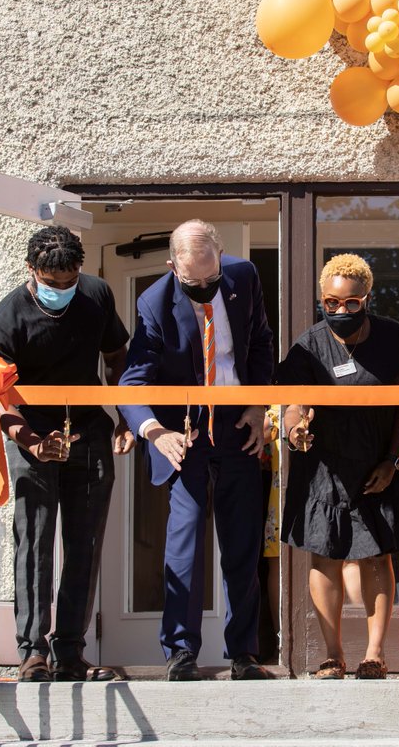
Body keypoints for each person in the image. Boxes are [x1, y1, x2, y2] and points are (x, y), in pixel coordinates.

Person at [118, 219, 276, 681]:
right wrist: (152, 431)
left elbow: (262, 344)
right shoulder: (153, 303)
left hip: (237, 429)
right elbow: (133, 381)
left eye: (212, 280)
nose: (205, 289)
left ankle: (244, 653)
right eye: (193, 282)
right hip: (184, 436)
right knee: (183, 546)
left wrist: (257, 404)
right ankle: (181, 652)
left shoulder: (243, 277)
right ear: (172, 266)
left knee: (242, 543)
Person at [0, 225, 134, 683]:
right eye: (52, 283)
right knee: (35, 543)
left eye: (70, 280)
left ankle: (69, 653)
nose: (63, 290)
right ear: (32, 271)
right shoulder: (5, 320)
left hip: (88, 433)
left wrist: (126, 414)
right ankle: (31, 652)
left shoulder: (97, 294)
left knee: (84, 545)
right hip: (33, 440)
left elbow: (117, 355)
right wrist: (29, 441)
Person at [278, 253, 399, 680]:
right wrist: (295, 428)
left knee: (377, 559)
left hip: (378, 463)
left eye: (351, 303)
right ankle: (332, 655)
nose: (341, 311)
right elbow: (291, 399)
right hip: (322, 466)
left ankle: (374, 654)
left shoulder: (395, 339)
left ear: (367, 298)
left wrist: (393, 460)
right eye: (331, 303)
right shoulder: (308, 344)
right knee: (325, 557)